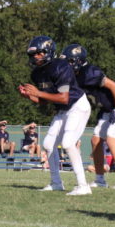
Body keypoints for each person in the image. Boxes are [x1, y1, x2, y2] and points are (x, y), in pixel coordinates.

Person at [18, 36, 91, 195]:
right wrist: (29, 96)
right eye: (33, 54)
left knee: (68, 143)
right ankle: (56, 182)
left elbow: (64, 97)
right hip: (63, 109)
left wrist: (37, 92)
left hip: (77, 105)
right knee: (48, 144)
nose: (35, 57)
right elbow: (44, 100)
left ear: (48, 52)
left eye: (39, 53)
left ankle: (83, 185)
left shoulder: (61, 66)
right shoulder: (37, 74)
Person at [60, 43, 115, 189]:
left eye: (69, 61)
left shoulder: (89, 72)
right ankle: (100, 179)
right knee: (95, 140)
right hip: (106, 107)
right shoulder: (73, 75)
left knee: (112, 139)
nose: (66, 65)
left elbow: (113, 86)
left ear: (78, 61)